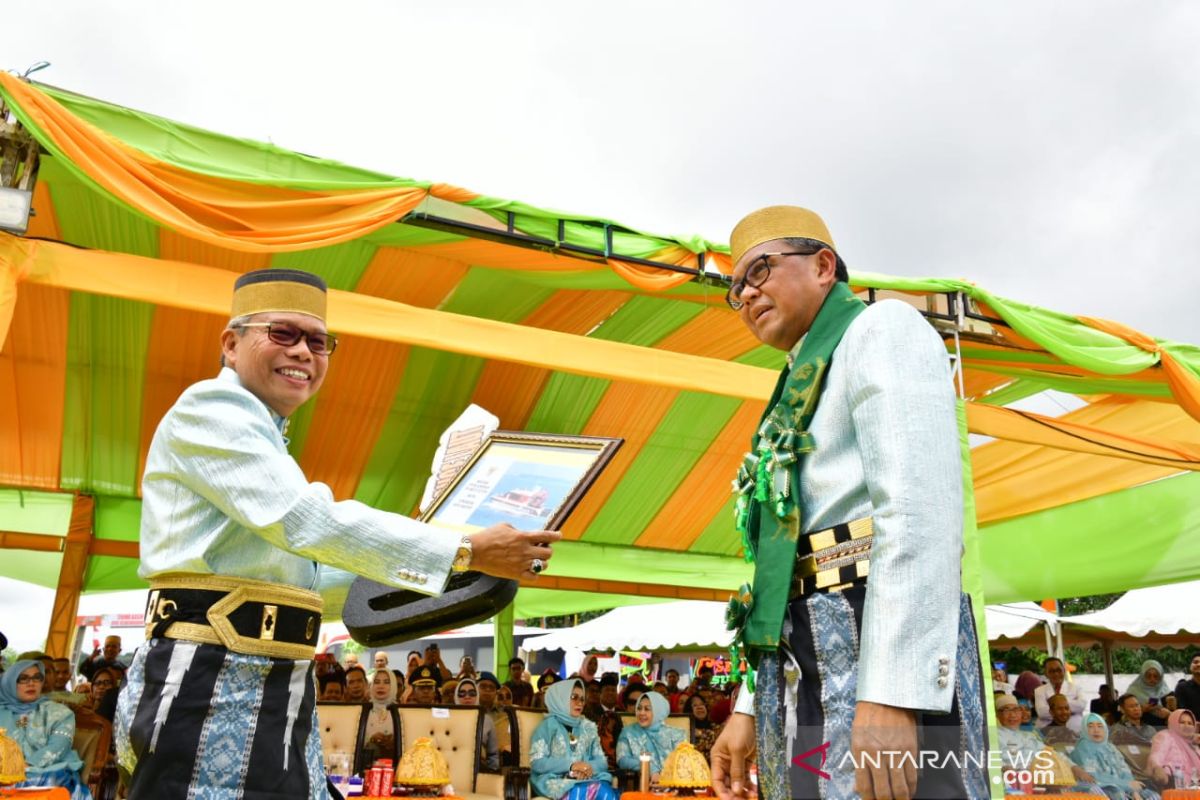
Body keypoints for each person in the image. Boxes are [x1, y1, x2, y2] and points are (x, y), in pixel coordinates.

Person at [114, 268, 559, 800]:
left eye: (319, 341)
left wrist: (454, 551)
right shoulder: (212, 407)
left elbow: (315, 580)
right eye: (283, 333)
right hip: (208, 685)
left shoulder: (265, 439)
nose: (304, 351)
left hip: (275, 690)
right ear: (230, 345)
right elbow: (305, 520)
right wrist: (462, 547)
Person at [709, 206, 988, 800]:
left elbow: (917, 514)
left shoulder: (882, 328)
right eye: (737, 288)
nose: (747, 293)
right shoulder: (795, 382)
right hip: (806, 649)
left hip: (879, 641)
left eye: (759, 269)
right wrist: (749, 707)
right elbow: (781, 565)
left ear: (823, 266)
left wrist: (894, 690)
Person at [0, 660, 92, 800]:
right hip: (3, 773)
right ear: (9, 682)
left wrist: (26, 766)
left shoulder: (59, 713)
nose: (31, 683)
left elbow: (58, 747)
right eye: (23, 678)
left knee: (46, 779)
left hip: (45, 772)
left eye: (37, 677)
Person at [529, 679, 616, 800]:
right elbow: (537, 763)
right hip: (557, 781)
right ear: (561, 698)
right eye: (574, 697)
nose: (579, 703)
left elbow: (602, 762)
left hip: (587, 778)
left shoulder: (588, 727)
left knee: (605, 790)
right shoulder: (547, 727)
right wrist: (571, 766)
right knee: (588, 790)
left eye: (582, 699)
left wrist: (584, 769)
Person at [1071, 713, 1159, 800]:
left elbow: (1125, 771)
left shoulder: (1110, 747)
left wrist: (1133, 790)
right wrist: (1126, 785)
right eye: (1090, 726)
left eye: (1100, 726)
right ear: (1084, 729)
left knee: (1152, 795)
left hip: (1123, 786)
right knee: (1117, 793)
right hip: (1102, 786)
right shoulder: (1083, 748)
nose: (1096, 730)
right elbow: (1094, 777)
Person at [616, 693, 685, 780]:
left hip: (673, 784)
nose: (641, 713)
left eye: (647, 709)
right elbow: (622, 760)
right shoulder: (628, 732)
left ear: (658, 711)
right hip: (640, 784)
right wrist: (649, 768)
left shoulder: (676, 734)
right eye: (639, 708)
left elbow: (683, 762)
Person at [455, 677, 500, 770]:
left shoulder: (487, 720)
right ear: (456, 696)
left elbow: (493, 754)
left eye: (472, 693)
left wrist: (491, 774)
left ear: (477, 696)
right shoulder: (449, 718)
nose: (467, 697)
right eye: (462, 693)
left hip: (480, 769)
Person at [1034, 657, 1087, 732]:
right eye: (1052, 671)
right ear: (1045, 674)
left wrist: (1054, 705)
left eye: (1059, 670)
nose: (1056, 674)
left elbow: (1081, 705)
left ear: (1064, 671)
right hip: (1048, 732)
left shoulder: (1076, 688)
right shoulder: (1039, 691)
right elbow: (1042, 712)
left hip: (1075, 730)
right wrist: (1070, 707)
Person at [1149, 709, 1200, 787]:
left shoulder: (1193, 744)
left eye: (1190, 723)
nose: (1186, 726)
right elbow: (1158, 754)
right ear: (1174, 722)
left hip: (1194, 786)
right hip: (1173, 784)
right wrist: (1156, 767)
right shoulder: (1165, 735)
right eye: (1182, 722)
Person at [361, 669, 399, 767]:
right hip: (366, 765)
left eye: (386, 682)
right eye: (376, 682)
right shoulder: (363, 711)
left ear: (394, 686)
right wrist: (371, 740)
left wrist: (395, 741)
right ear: (371, 686)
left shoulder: (400, 713)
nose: (381, 686)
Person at [477, 671, 513, 766]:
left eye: (492, 688)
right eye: (483, 686)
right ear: (476, 688)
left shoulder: (505, 714)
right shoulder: (469, 712)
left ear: (495, 693)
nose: (487, 690)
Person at [1126, 660, 1172, 728]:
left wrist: (1169, 714)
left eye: (1156, 676)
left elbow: (1180, 717)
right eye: (1148, 676)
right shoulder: (1132, 693)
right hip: (1138, 732)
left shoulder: (1168, 693)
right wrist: (1141, 710)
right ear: (1142, 676)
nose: (1152, 679)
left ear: (1161, 677)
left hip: (1164, 733)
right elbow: (1123, 716)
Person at [1175, 653, 1200, 718]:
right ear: (1190, 666)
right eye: (1195, 662)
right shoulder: (1182, 687)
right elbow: (1181, 712)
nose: (1198, 664)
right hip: (1189, 726)